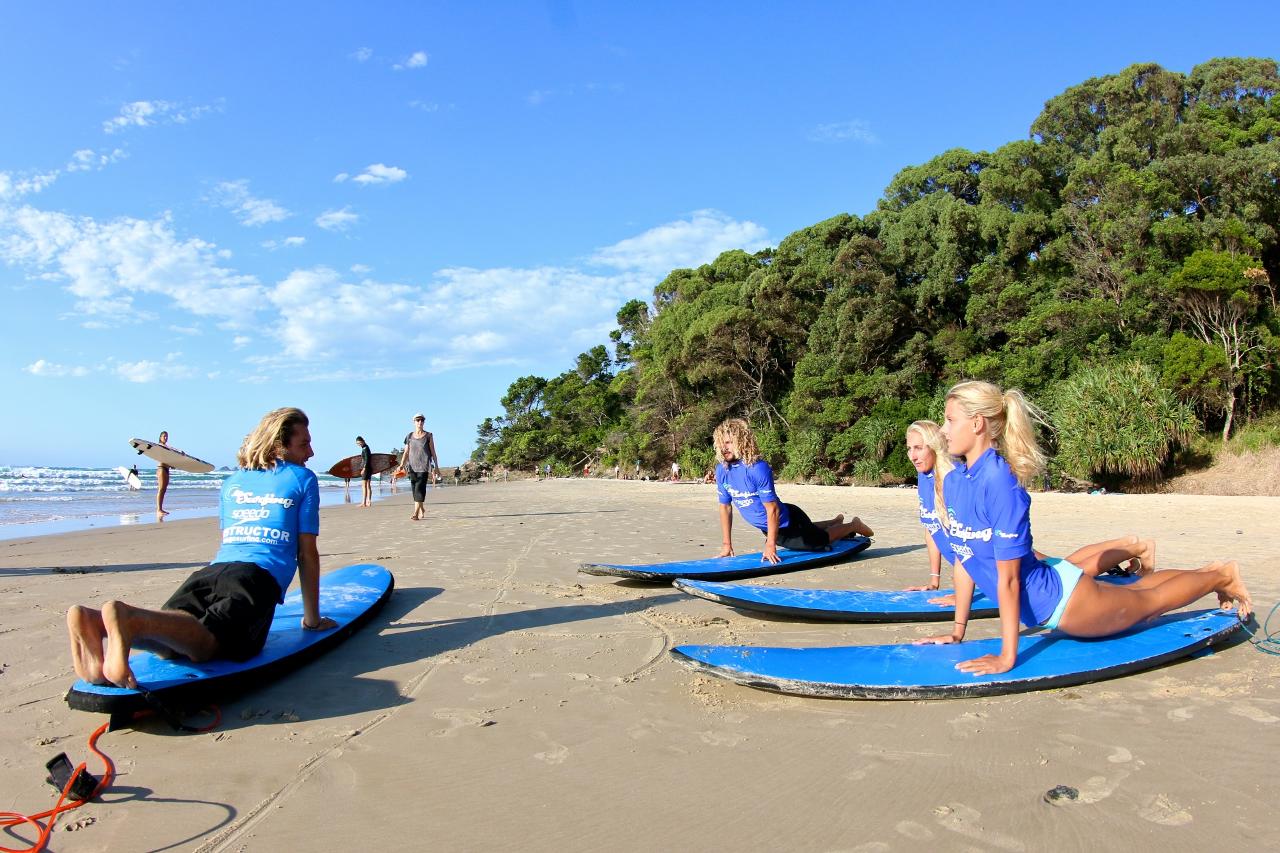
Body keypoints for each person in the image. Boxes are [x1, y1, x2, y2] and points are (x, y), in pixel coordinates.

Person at [915, 380, 1251, 676]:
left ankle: (1222, 576)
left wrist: (1007, 656)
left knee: (1151, 603)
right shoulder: (957, 480)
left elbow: (1010, 578)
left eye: (950, 420)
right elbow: (965, 559)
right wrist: (958, 631)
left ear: (976, 424)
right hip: (1053, 585)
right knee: (1136, 593)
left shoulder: (1001, 482)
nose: (943, 430)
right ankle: (1209, 570)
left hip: (1064, 606)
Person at [66, 407, 337, 689]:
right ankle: (127, 618)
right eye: (304, 443)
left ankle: (95, 621)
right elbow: (307, 555)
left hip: (211, 573)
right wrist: (312, 620)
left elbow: (228, 542)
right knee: (209, 645)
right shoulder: (303, 479)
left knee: (172, 642)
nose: (311, 452)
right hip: (256, 580)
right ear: (279, 447)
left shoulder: (233, 482)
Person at [903, 420, 1155, 601]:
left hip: (1000, 555)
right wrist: (934, 579)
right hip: (987, 564)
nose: (912, 455)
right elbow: (932, 531)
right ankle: (1128, 543)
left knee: (1069, 574)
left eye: (918, 448)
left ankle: (1135, 547)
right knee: (1065, 567)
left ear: (934, 446)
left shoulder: (952, 479)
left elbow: (964, 537)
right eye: (909, 448)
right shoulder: (925, 479)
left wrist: (962, 592)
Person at [713, 418, 874, 565]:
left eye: (728, 443)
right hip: (770, 525)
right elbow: (725, 508)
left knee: (818, 542)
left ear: (741, 441)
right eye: (721, 444)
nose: (724, 448)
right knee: (806, 533)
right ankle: (833, 522)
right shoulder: (722, 470)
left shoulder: (757, 468)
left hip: (787, 521)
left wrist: (770, 544)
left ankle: (853, 525)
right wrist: (727, 545)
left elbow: (773, 509)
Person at [396, 413, 439, 521]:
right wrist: (401, 465)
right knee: (415, 490)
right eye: (418, 420)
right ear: (414, 422)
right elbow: (406, 452)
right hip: (412, 467)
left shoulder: (428, 435)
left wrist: (436, 466)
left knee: (420, 489)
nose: (420, 422)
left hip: (424, 466)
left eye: (422, 420)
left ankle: (415, 513)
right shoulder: (409, 436)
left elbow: (433, 451)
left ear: (424, 422)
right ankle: (422, 509)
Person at [155, 430, 171, 519]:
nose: (165, 438)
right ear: (160, 437)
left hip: (166, 469)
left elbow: (168, 458)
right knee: (161, 489)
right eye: (164, 436)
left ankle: (161, 509)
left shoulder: (167, 447)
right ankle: (158, 510)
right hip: (161, 469)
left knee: (164, 490)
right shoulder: (159, 446)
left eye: (167, 436)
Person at [356, 436, 373, 508]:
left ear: (363, 441)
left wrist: (363, 468)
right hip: (369, 469)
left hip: (366, 469)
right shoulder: (366, 447)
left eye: (359, 443)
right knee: (368, 486)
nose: (359, 445)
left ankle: (364, 502)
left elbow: (367, 459)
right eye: (357, 444)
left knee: (364, 486)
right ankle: (368, 502)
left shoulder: (365, 448)